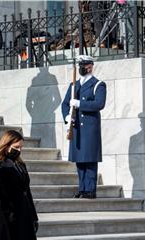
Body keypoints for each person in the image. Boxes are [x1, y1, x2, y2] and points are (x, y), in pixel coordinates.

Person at [61, 55, 107, 199]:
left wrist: (80, 104)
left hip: (89, 128)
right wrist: (67, 117)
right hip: (76, 128)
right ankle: (82, 188)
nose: (82, 68)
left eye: (84, 65)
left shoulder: (98, 84)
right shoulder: (74, 84)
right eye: (80, 65)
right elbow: (65, 104)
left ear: (90, 66)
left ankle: (90, 190)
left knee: (90, 160)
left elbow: (99, 104)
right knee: (80, 160)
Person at [0, 130, 39, 240]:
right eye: (16, 147)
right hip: (11, 216)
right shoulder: (1, 166)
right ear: (6, 146)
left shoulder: (20, 164)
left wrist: (34, 216)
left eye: (21, 147)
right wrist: (9, 215)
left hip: (25, 213)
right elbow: (2, 194)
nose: (19, 150)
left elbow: (27, 191)